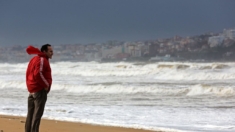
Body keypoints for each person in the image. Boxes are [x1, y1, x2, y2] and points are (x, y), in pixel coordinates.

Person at [25, 44, 53, 132]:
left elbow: (29, 73)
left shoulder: (34, 59)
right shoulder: (42, 60)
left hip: (32, 90)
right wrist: (46, 85)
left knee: (31, 115)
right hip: (39, 91)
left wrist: (30, 86)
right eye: (50, 51)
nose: (52, 53)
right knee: (37, 116)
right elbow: (38, 74)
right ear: (44, 52)